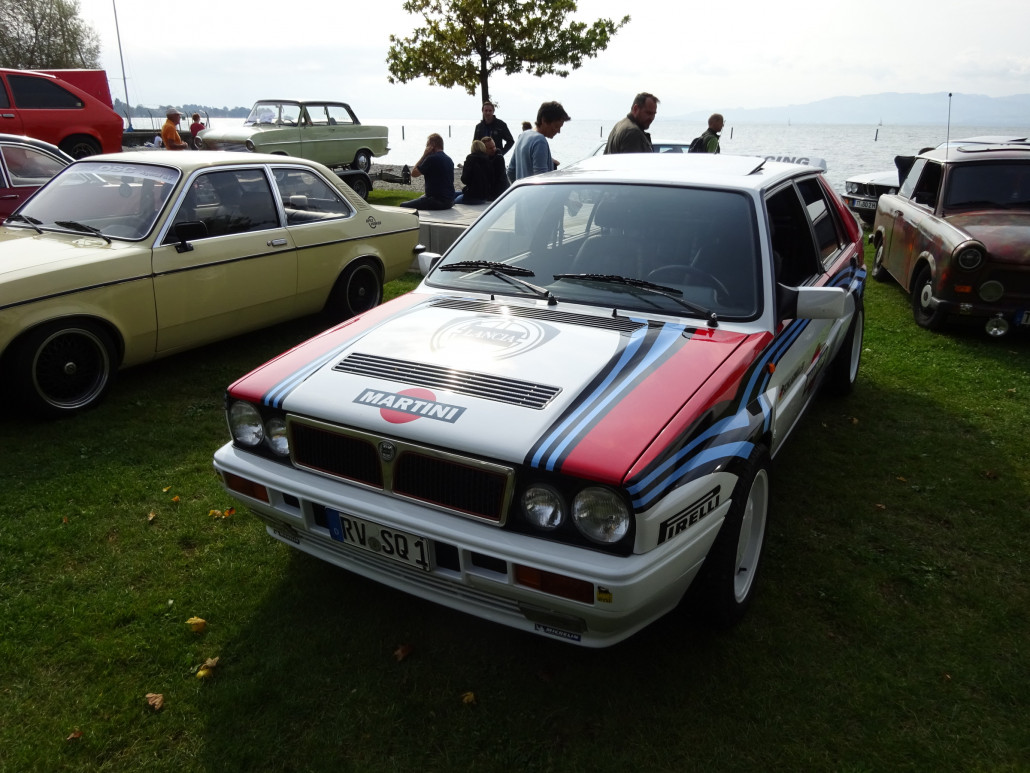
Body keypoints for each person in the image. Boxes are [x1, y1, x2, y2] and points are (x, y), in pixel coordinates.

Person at [506, 101, 570, 182]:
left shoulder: (523, 135)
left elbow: (511, 172)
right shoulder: (539, 141)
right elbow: (542, 178)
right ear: (544, 121)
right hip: (536, 194)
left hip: (523, 193)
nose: (559, 131)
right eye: (556, 126)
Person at [401, 133, 455, 210]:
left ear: (432, 145)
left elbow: (414, 173)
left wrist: (424, 155)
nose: (426, 148)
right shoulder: (449, 160)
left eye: (427, 145)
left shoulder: (431, 158)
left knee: (403, 206)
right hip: (450, 201)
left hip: (437, 201)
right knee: (422, 198)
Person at [455, 140, 492, 205]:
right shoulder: (487, 159)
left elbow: (464, 180)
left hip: (472, 196)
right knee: (456, 193)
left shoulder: (470, 159)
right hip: (485, 196)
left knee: (454, 200)